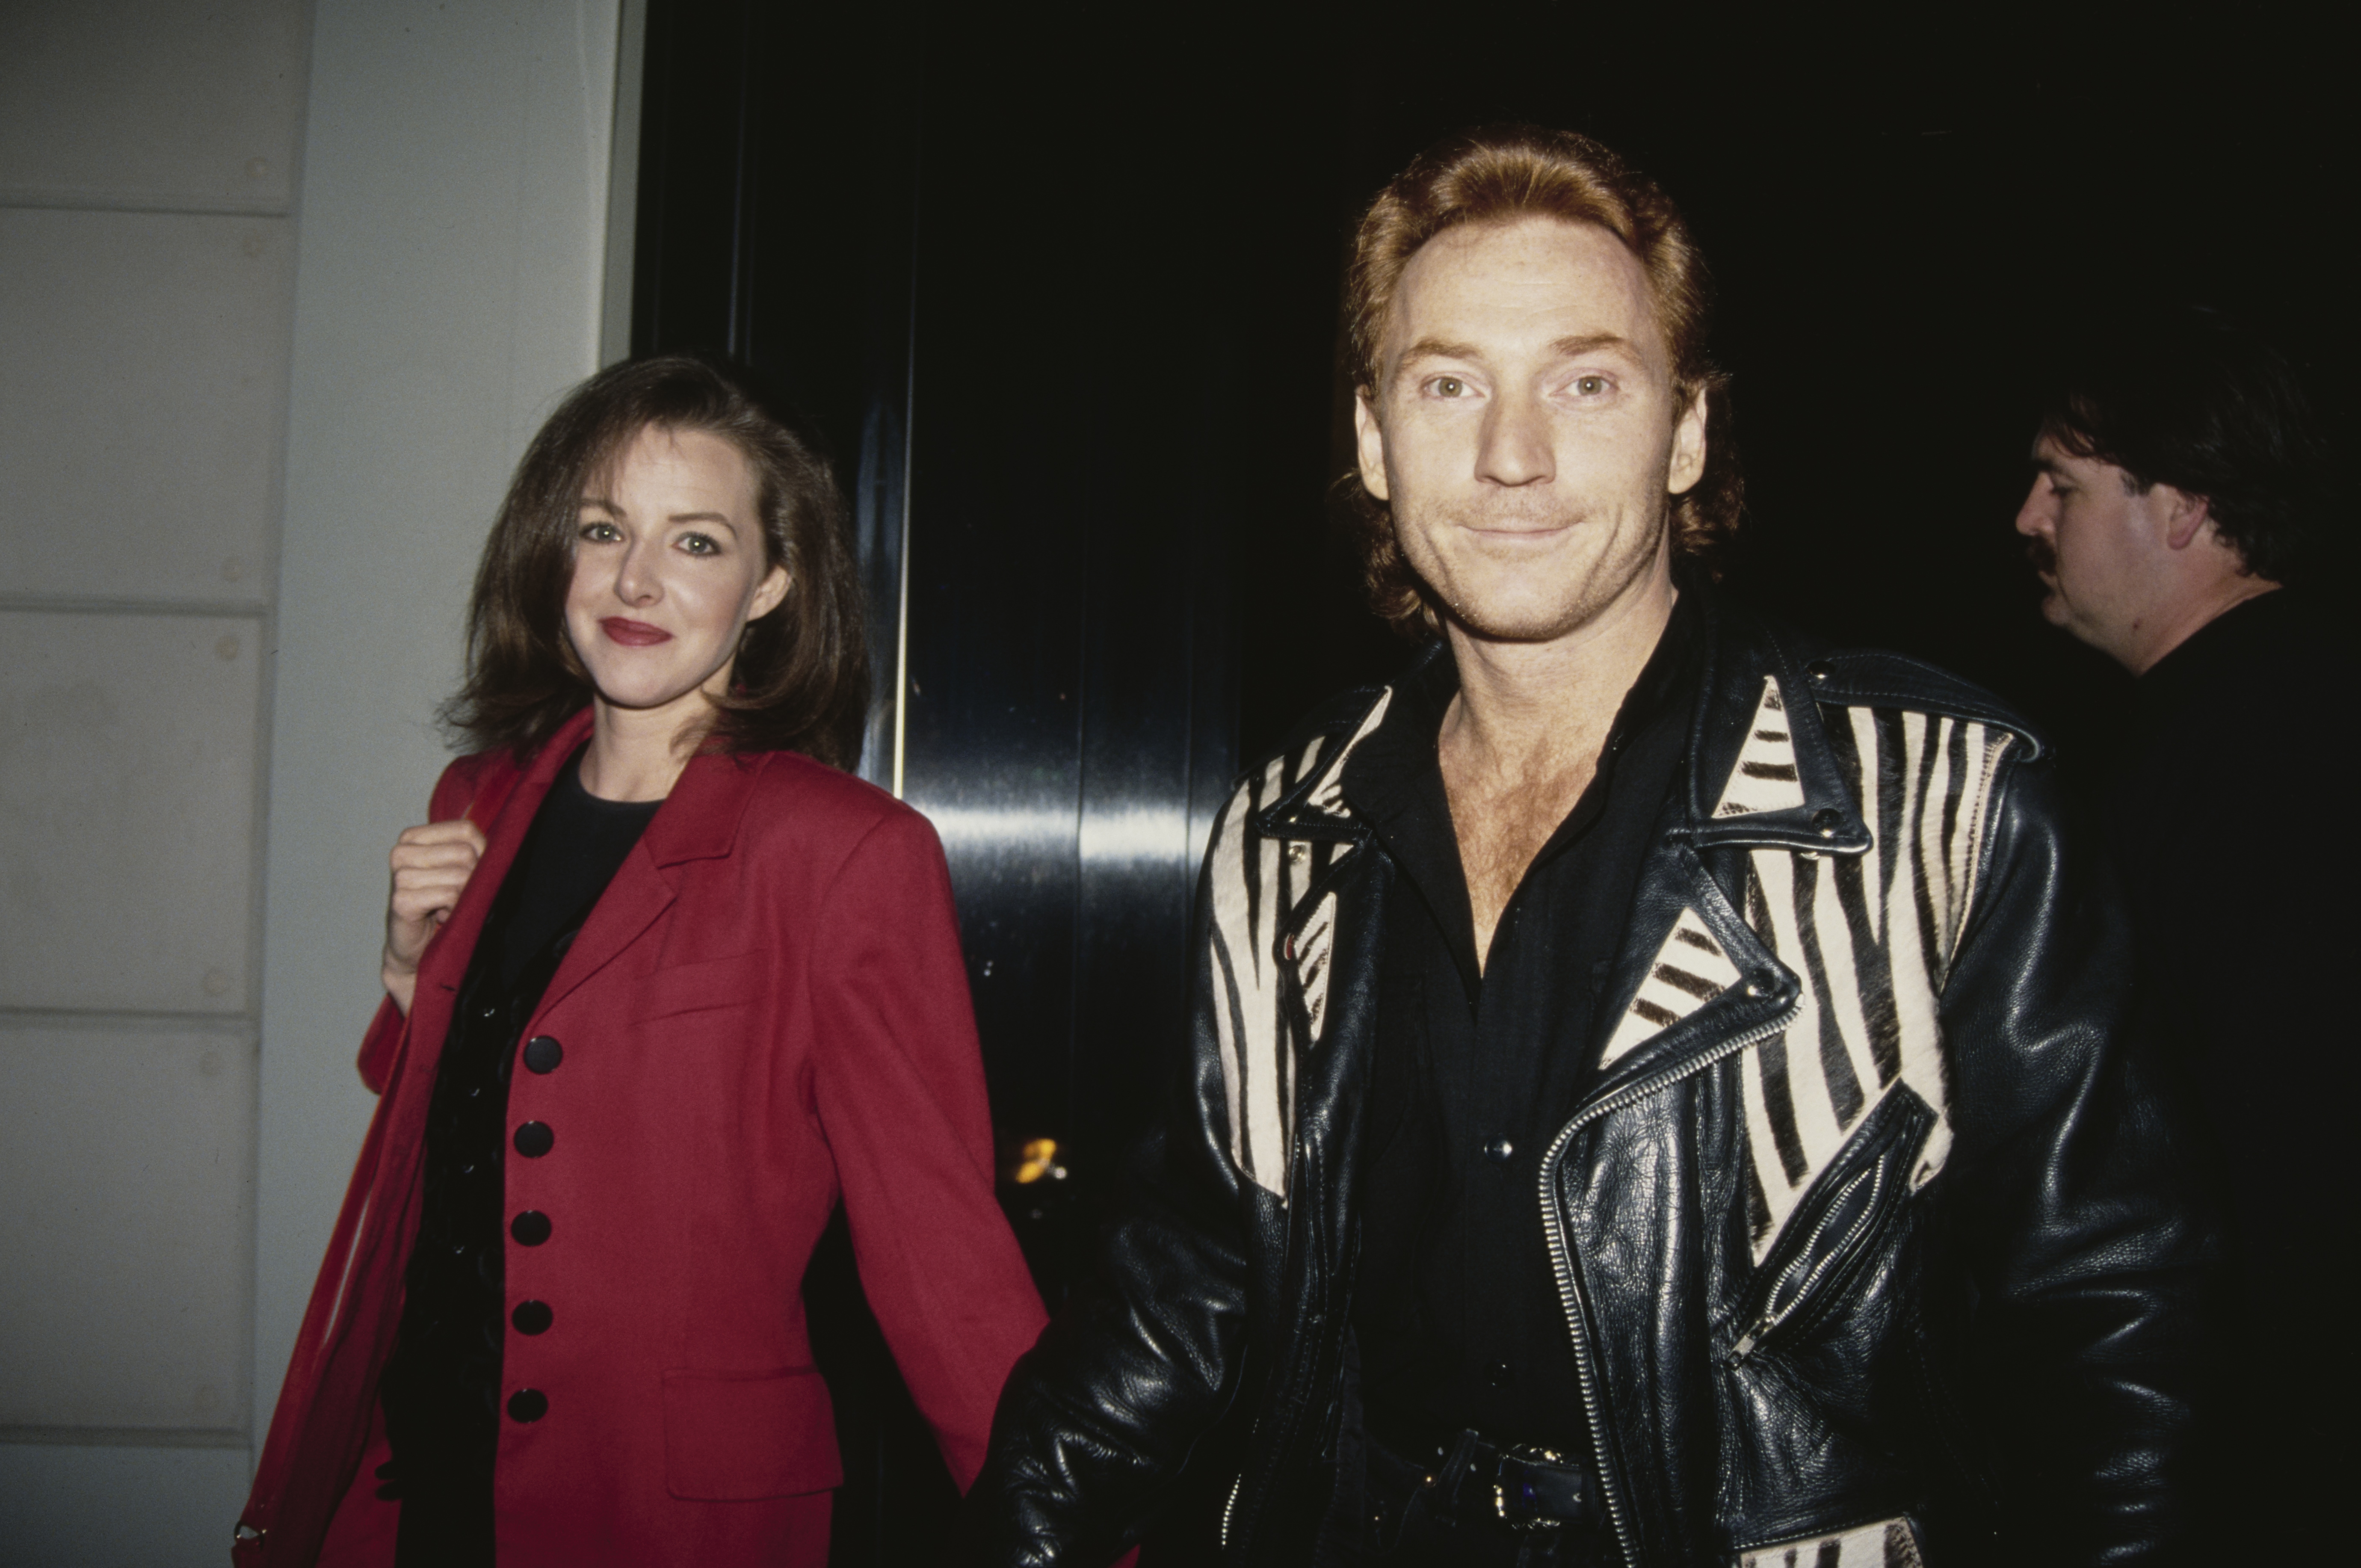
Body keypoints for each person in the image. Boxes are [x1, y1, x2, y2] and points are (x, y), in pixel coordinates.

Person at [964, 128, 2204, 1567]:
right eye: (1448, 384)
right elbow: (1186, 1274)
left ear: (1685, 432)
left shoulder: (1939, 799)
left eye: (1587, 380)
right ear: (1374, 439)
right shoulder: (1287, 823)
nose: (1511, 456)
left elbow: (2120, 1330)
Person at [235, 356, 1046, 1567]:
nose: (634, 579)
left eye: (698, 542)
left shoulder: (844, 856)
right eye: (605, 527)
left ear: (772, 582)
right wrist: (412, 984)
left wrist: (1080, 1528)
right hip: (414, 1492)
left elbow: (944, 1264)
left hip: (666, 1519)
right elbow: (468, 1153)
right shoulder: (481, 803)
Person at [2013, 306, 2351, 1560]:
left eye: (2063, 482)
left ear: (2188, 508)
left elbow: (2259, 1155)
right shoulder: (2256, 711)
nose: (2028, 519)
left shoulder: (2252, 743)